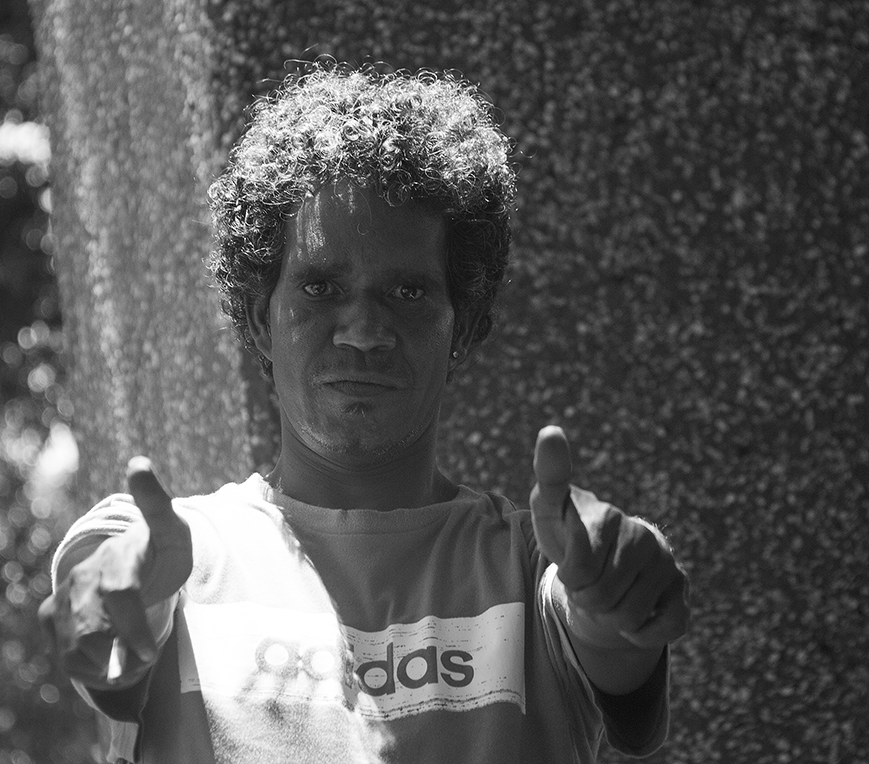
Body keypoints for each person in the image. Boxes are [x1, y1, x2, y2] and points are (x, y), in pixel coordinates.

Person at [38, 62, 690, 764]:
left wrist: (619, 585)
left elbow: (605, 633)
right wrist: (114, 606)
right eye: (320, 287)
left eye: (407, 293)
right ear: (260, 320)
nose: (363, 331)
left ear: (464, 329)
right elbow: (106, 626)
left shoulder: (534, 568)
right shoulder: (168, 551)